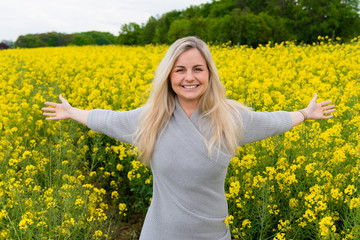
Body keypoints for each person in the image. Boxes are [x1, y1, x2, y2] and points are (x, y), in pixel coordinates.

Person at [42, 36, 336, 240]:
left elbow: (272, 121)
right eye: (179, 70)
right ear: (169, 76)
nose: (189, 77)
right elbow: (108, 118)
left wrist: (304, 113)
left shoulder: (229, 118)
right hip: (161, 233)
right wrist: (73, 112)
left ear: (209, 73)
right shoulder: (151, 119)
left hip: (212, 233)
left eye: (198, 68)